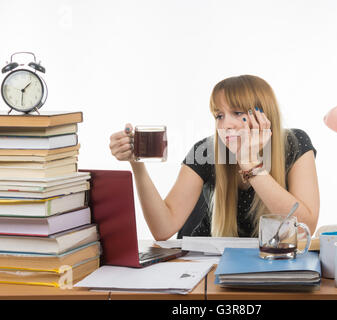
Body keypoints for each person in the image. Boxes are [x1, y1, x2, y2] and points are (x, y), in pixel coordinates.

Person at [109, 75, 320, 240]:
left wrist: (250, 163)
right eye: (219, 115)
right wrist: (136, 165)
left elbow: (305, 228)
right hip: (207, 268)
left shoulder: (294, 143)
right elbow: (163, 229)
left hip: (269, 262)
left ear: (263, 115)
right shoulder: (207, 150)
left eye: (237, 113)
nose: (225, 125)